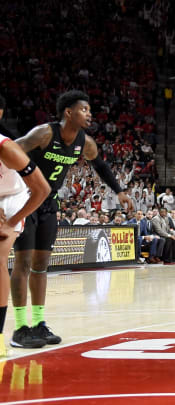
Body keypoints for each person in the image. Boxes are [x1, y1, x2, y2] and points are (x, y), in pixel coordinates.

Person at [11, 90, 133, 348]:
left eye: (89, 110)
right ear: (69, 112)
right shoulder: (44, 133)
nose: (89, 114)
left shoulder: (85, 142)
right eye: (84, 110)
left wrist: (119, 190)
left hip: (49, 203)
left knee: (41, 265)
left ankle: (39, 324)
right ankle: (20, 328)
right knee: (22, 263)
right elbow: (12, 150)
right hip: (25, 199)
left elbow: (100, 165)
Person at [0, 129, 52, 353]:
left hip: (14, 199)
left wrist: (12, 220)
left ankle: (3, 336)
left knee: (2, 258)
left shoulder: (7, 148)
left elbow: (42, 188)